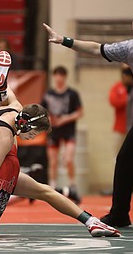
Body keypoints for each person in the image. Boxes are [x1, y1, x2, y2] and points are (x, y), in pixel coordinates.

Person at [0, 51, 121, 238]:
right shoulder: (12, 120)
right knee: (44, 191)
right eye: (34, 134)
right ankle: (90, 221)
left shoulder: (11, 124)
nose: (32, 138)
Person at [43, 10, 133, 227]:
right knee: (125, 160)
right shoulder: (129, 49)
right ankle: (119, 214)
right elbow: (95, 48)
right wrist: (64, 41)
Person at [41, 65, 83, 204]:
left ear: (65, 77)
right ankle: (52, 187)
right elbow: (42, 112)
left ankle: (72, 184)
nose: (59, 78)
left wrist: (65, 118)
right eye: (56, 75)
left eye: (61, 75)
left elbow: (80, 112)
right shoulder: (48, 95)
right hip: (54, 131)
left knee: (68, 159)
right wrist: (49, 121)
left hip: (68, 130)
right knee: (53, 161)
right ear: (54, 77)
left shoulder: (72, 94)